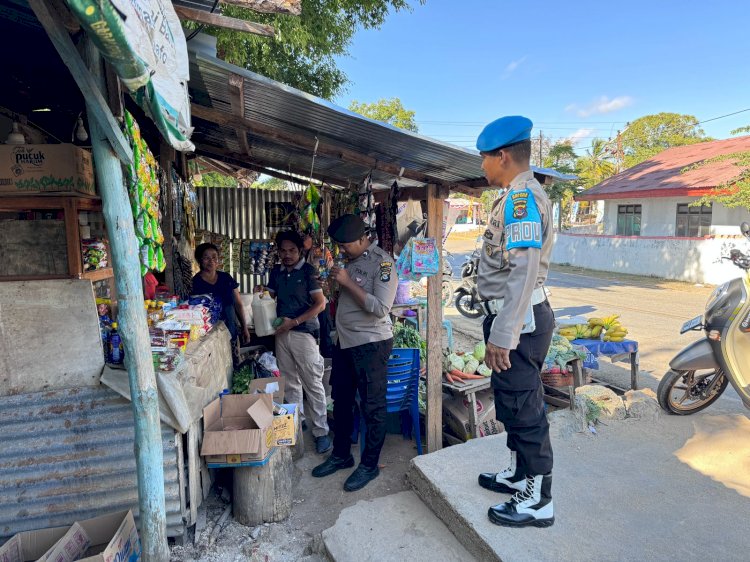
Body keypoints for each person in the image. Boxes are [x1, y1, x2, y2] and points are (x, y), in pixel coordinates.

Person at [473, 116, 556, 528]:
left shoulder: (522, 200)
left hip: (519, 322)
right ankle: (520, 474)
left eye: (484, 158)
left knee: (526, 409)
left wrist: (503, 335)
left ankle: (539, 500)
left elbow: (522, 272)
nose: (482, 166)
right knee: (512, 401)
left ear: (502, 155)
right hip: (513, 318)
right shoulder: (512, 195)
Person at [311, 214, 398, 492]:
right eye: (339, 245)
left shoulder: (383, 263)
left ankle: (369, 465)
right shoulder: (350, 261)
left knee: (372, 406)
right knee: (341, 399)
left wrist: (348, 282)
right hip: (345, 343)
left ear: (363, 239)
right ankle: (341, 455)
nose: (341, 250)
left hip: (371, 345)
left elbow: (381, 308)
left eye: (346, 245)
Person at [262, 230, 332, 454]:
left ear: (300, 251)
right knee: (290, 383)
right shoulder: (277, 272)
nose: (287, 254)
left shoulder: (309, 272)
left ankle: (321, 432)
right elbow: (269, 297)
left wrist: (294, 322)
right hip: (281, 334)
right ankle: (297, 424)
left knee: (312, 383)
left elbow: (320, 304)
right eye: (283, 250)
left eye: (292, 250)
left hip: (304, 334)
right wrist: (261, 293)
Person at [192, 243, 251, 347]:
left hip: (231, 331)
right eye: (206, 257)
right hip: (208, 339)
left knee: (233, 361)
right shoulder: (195, 283)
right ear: (200, 260)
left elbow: (238, 304)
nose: (211, 261)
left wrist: (244, 328)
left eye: (214, 257)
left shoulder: (226, 278)